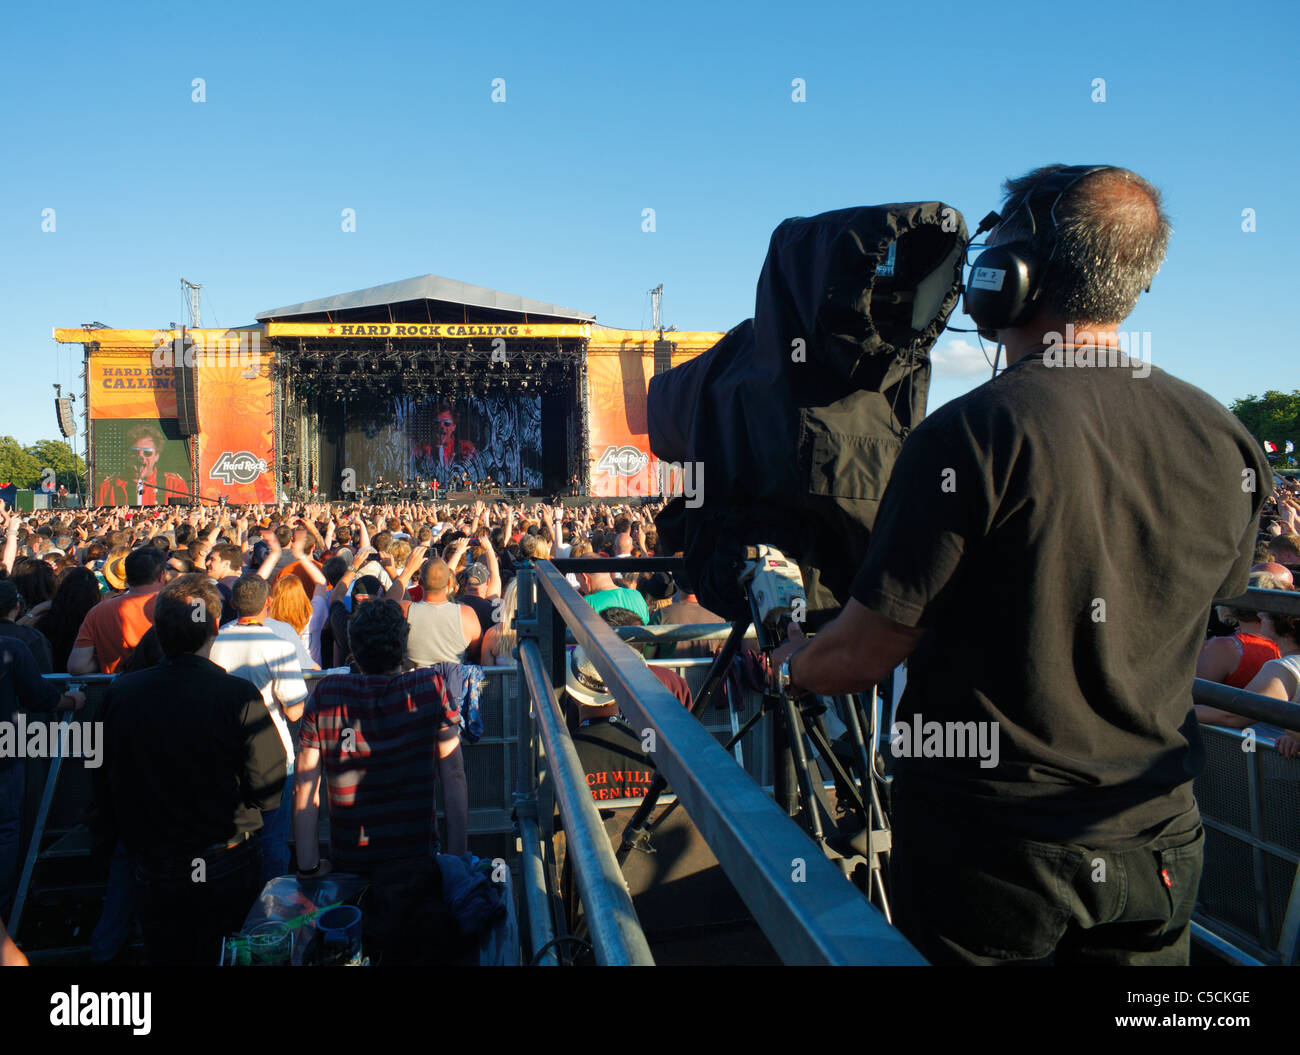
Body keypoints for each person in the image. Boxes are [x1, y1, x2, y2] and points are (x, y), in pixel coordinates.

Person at [771, 164, 1271, 966]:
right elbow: (1204, 600)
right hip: (1160, 846)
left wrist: (793, 667)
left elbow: (865, 652)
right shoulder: (1226, 438)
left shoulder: (970, 434)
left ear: (1019, 273)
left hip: (996, 857)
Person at [93, 575, 285, 965]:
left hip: (156, 862)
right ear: (215, 627)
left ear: (159, 630)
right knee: (229, 954)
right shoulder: (237, 695)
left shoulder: (120, 696)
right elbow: (269, 787)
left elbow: (101, 778)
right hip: (224, 858)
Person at [293, 599, 468, 877]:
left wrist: (308, 866)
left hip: (350, 863)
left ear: (354, 646)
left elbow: (305, 785)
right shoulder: (429, 687)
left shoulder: (327, 693)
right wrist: (458, 862)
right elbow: (454, 773)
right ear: (403, 643)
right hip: (416, 861)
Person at [209, 575, 310, 882]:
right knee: (273, 840)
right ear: (268, 603)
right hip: (273, 754)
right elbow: (294, 712)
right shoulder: (277, 645)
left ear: (233, 604)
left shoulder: (213, 641)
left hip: (223, 753)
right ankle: (270, 916)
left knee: (229, 839)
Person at [68, 546, 166, 674]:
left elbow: (78, 666)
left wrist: (105, 661)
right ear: (161, 576)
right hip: (165, 686)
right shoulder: (177, 608)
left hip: (117, 687)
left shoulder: (97, 612)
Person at [402, 557, 482, 667]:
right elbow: (476, 652)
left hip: (413, 681)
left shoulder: (405, 610)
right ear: (449, 582)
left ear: (420, 582)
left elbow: (385, 606)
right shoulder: (466, 615)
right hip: (451, 681)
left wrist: (407, 570)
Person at [95, 424, 189, 507]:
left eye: (147, 453)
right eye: (134, 452)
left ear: (156, 456)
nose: (140, 457)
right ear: (127, 455)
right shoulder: (107, 487)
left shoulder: (174, 484)